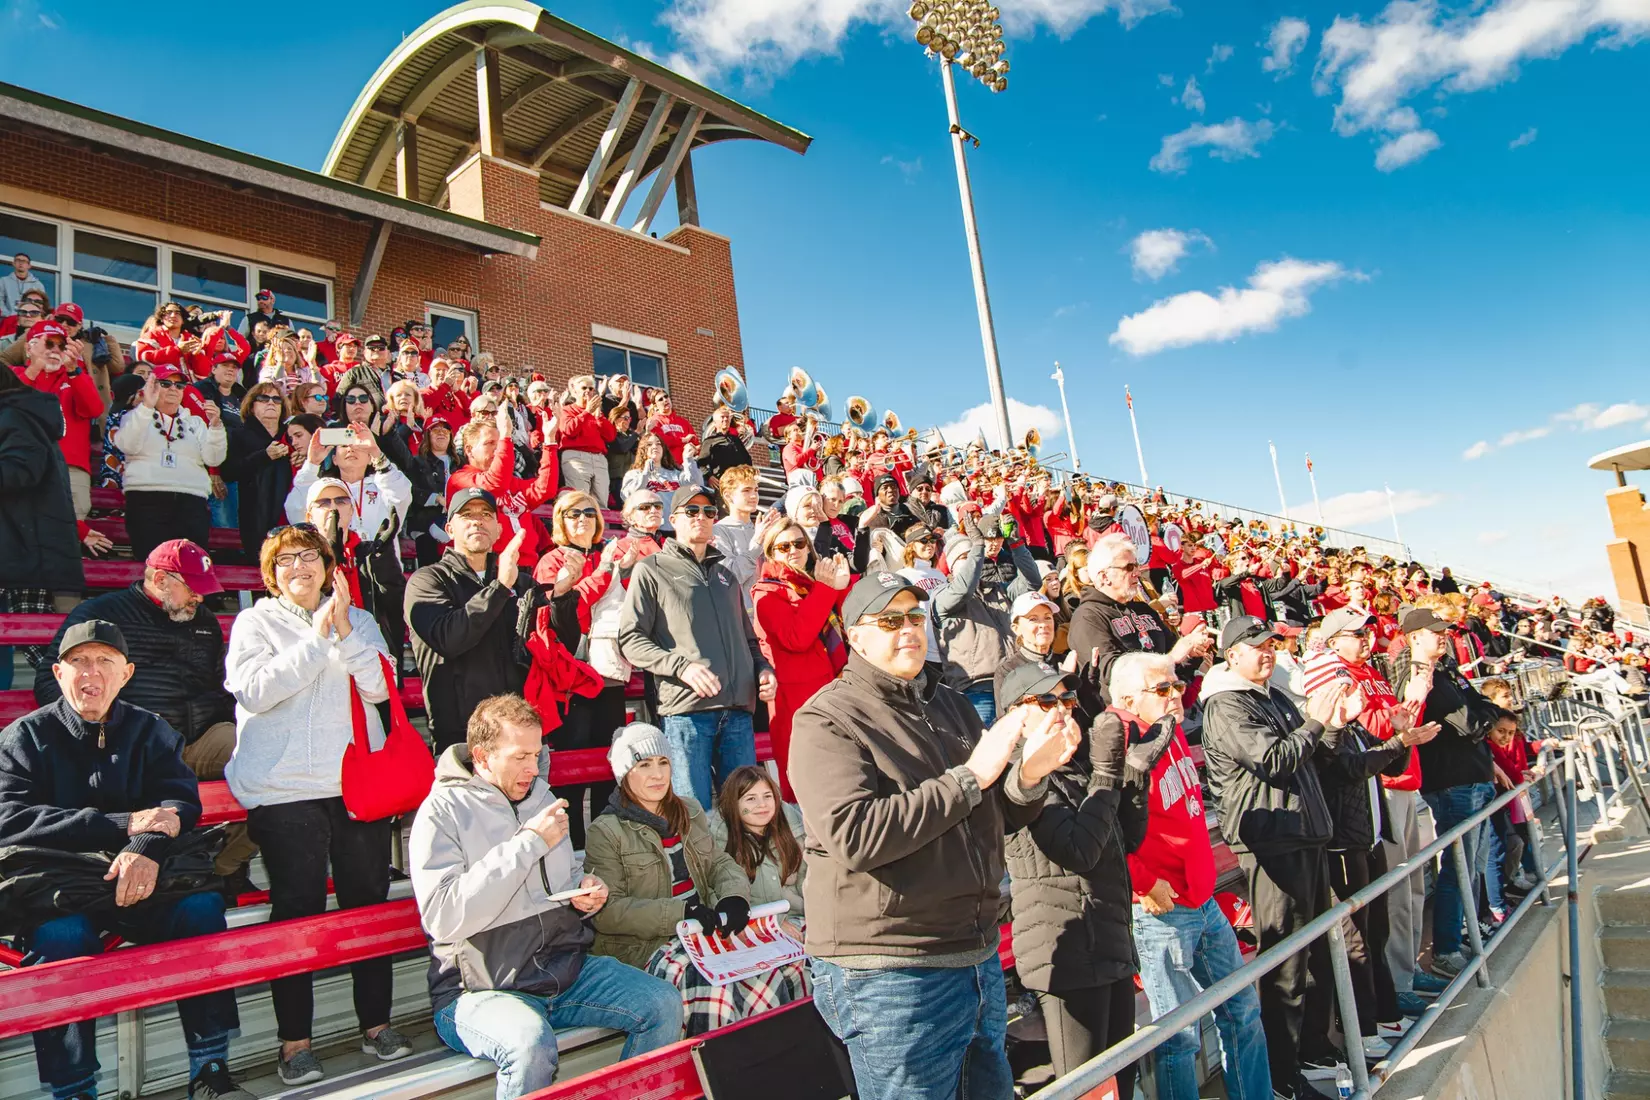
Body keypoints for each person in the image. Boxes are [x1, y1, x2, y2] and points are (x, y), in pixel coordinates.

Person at [788, 573, 1079, 1100]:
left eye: (916, 617)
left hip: (974, 953)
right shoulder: (825, 718)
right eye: (890, 620)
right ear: (855, 636)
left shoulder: (952, 704)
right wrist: (971, 777)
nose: (909, 630)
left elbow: (991, 817)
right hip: (890, 971)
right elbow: (857, 836)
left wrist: (1029, 778)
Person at [0, 620, 256, 1100]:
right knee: (61, 937)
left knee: (201, 911)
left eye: (104, 662)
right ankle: (74, 1089)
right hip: (59, 889)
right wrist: (121, 825)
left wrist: (144, 848)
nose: (90, 673)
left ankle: (210, 1068)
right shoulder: (24, 737)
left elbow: (179, 802)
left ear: (126, 673)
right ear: (58, 672)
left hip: (138, 883)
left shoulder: (149, 729)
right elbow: (8, 818)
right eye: (79, 661)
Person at [410, 694, 681, 1099]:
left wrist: (586, 890)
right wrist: (528, 844)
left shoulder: (540, 797)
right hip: (481, 989)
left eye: (536, 754)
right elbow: (443, 917)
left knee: (663, 1002)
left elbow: (564, 877)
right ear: (482, 756)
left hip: (562, 971)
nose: (533, 768)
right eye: (520, 756)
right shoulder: (441, 811)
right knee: (530, 1045)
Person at [223, 524, 411, 1085]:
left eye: (310, 556)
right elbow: (255, 690)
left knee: (367, 906)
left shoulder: (361, 619)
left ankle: (376, 1025)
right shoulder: (255, 621)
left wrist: (346, 630)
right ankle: (294, 1042)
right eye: (285, 560)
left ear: (329, 565)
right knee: (297, 913)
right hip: (286, 792)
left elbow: (381, 687)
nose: (299, 567)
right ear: (270, 572)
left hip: (358, 785)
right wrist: (318, 639)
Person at [1106, 652, 1273, 1100]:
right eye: (1162, 690)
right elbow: (1105, 828)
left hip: (1201, 899)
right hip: (1162, 909)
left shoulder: (1170, 728)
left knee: (1242, 1009)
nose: (1176, 696)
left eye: (1177, 686)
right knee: (1178, 1037)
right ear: (1126, 698)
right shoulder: (1117, 738)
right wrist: (1142, 882)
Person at [1200, 615, 1348, 1099]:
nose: (1268, 652)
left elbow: (1315, 756)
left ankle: (1310, 1052)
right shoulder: (1227, 704)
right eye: (1256, 646)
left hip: (1301, 833)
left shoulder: (1272, 697)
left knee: (1314, 951)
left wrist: (1333, 728)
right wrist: (1317, 722)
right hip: (1270, 841)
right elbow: (1275, 761)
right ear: (1232, 654)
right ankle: (1283, 1077)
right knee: (1285, 962)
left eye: (1272, 645)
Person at [584, 723, 807, 1036]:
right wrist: (681, 913)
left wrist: (734, 897)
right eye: (644, 765)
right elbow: (609, 912)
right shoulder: (606, 831)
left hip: (702, 933)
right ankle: (717, 1078)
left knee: (774, 970)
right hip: (647, 948)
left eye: (663, 763)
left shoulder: (687, 811)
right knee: (717, 991)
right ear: (624, 773)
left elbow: (720, 864)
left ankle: (779, 1065)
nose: (657, 775)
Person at [998, 659, 1147, 1091]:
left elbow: (1126, 840)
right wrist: (1106, 776)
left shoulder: (1076, 766)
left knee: (1122, 1078)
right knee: (1086, 1087)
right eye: (1047, 699)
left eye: (1067, 698)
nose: (1063, 707)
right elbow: (1079, 851)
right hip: (1066, 954)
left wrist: (1131, 777)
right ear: (1016, 715)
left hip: (1109, 940)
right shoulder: (1018, 778)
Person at [1304, 607, 1442, 1015]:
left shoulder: (1372, 672)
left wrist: (1405, 715)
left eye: (1367, 632)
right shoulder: (1335, 677)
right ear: (1333, 642)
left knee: (1412, 887)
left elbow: (1393, 726)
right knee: (1394, 895)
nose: (1366, 639)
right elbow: (1365, 736)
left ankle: (1408, 971)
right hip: (1376, 793)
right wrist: (1404, 711)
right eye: (1355, 634)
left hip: (1401, 783)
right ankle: (1397, 983)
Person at [619, 487, 777, 809]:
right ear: (673, 519)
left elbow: (748, 639)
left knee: (745, 816)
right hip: (687, 714)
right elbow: (631, 639)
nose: (701, 518)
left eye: (708, 512)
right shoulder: (652, 569)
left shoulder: (726, 576)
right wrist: (683, 667)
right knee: (696, 817)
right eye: (692, 511)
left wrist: (763, 669)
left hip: (738, 713)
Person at [1391, 604, 1498, 979]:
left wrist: (1482, 717)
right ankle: (1447, 947)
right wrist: (1481, 718)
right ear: (1415, 637)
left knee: (1474, 865)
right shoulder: (1416, 675)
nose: (1444, 636)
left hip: (1475, 776)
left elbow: (1485, 708)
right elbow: (1471, 723)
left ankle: (1465, 931)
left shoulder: (1446, 668)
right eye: (1436, 631)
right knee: (1458, 867)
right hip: (1452, 783)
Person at [527, 491, 632, 849]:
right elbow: (565, 612)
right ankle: (568, 848)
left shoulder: (609, 555)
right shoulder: (551, 560)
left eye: (590, 512)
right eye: (573, 513)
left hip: (610, 674)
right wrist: (603, 574)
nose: (583, 519)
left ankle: (606, 847)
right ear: (560, 520)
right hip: (569, 679)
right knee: (571, 770)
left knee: (609, 766)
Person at [406, 489, 532, 752]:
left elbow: (552, 645)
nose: (477, 521)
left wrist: (564, 599)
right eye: (467, 515)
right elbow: (449, 639)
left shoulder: (519, 581)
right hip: (460, 735)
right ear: (450, 528)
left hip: (518, 732)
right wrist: (500, 588)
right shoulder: (427, 580)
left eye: (486, 514)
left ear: (498, 529)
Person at [750, 519, 851, 800]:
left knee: (839, 774)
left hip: (829, 686)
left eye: (799, 543)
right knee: (806, 781)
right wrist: (826, 589)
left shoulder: (809, 585)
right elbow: (797, 638)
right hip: (795, 700)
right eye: (783, 546)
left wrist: (839, 587)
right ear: (771, 553)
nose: (793, 550)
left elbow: (839, 628)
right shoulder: (765, 592)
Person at [1069, 532, 1213, 716]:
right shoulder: (1088, 617)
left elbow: (1174, 658)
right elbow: (1111, 672)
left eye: (1136, 565)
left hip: (1166, 711)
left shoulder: (1143, 610)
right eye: (1129, 567)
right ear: (1104, 576)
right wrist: (1170, 659)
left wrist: (1191, 654)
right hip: (1128, 724)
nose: (1137, 572)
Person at [0, 326, 84, 632]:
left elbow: (21, 471)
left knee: (52, 655)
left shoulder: (14, 417)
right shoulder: (18, 415)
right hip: (26, 556)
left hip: (32, 561)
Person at [113, 366, 227, 558]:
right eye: (166, 384)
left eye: (179, 385)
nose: (173, 389)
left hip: (191, 501)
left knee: (191, 568)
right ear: (153, 387)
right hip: (146, 499)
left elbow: (214, 458)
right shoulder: (136, 416)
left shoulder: (196, 422)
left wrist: (216, 426)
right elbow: (127, 445)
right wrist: (147, 407)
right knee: (152, 565)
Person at [13, 318, 104, 520]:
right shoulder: (14, 374)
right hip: (20, 464)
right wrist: (34, 369)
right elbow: (8, 405)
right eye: (48, 343)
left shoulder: (75, 377)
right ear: (29, 347)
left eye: (61, 345)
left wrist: (74, 370)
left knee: (65, 539)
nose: (55, 350)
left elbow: (94, 409)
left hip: (69, 467)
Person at [448, 406, 559, 570]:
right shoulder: (461, 479)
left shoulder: (511, 482)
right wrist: (506, 437)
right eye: (490, 443)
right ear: (469, 450)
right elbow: (494, 484)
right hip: (489, 568)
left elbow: (545, 489)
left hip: (526, 567)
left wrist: (549, 442)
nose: (498, 448)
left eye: (499, 442)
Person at [711, 765, 807, 924]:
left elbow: (811, 882)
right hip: (751, 924)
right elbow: (717, 896)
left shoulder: (795, 828)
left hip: (801, 917)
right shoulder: (719, 841)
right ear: (734, 804)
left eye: (767, 796)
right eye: (751, 799)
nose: (762, 804)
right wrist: (775, 923)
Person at [284, 423, 413, 541]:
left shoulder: (383, 486)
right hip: (334, 562)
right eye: (344, 445)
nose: (351, 449)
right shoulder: (322, 488)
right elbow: (295, 512)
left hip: (380, 561)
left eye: (358, 446)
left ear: (370, 459)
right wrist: (312, 464)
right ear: (334, 459)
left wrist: (376, 452)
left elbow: (401, 497)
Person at [226, 383, 293, 561]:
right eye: (263, 398)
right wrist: (264, 456)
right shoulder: (238, 434)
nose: (271, 403)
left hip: (288, 510)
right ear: (251, 405)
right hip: (254, 512)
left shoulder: (292, 434)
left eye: (276, 399)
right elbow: (229, 472)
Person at [555, 374, 616, 502]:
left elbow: (610, 436)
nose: (588, 391)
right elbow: (569, 430)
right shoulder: (567, 410)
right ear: (575, 392)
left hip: (599, 458)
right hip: (577, 458)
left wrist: (598, 416)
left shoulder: (597, 412)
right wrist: (587, 411)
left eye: (591, 388)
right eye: (584, 388)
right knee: (580, 500)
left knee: (601, 503)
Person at [696, 404, 753, 484]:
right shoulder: (709, 441)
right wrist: (709, 477)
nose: (726, 419)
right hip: (722, 483)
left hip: (739, 482)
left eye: (727, 417)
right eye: (722, 417)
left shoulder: (736, 440)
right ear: (715, 423)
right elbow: (700, 464)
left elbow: (747, 460)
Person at [0, 251, 46, 316]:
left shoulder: (38, 284)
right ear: (13, 263)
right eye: (18, 260)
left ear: (29, 266)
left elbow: (41, 304)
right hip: (8, 319)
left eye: (24, 261)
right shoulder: (3, 281)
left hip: (30, 319)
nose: (21, 263)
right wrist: (8, 315)